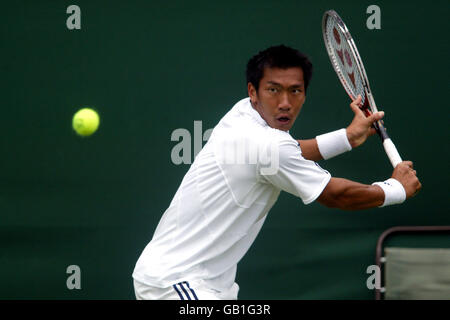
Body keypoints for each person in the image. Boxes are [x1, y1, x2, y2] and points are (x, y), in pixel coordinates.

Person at [132, 45, 421, 300]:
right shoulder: (267, 142)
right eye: (273, 90)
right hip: (177, 282)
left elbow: (286, 152)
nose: (285, 102)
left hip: (198, 283)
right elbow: (337, 196)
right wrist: (395, 189)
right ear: (253, 92)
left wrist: (347, 137)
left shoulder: (243, 115)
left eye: (295, 90)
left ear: (305, 94)